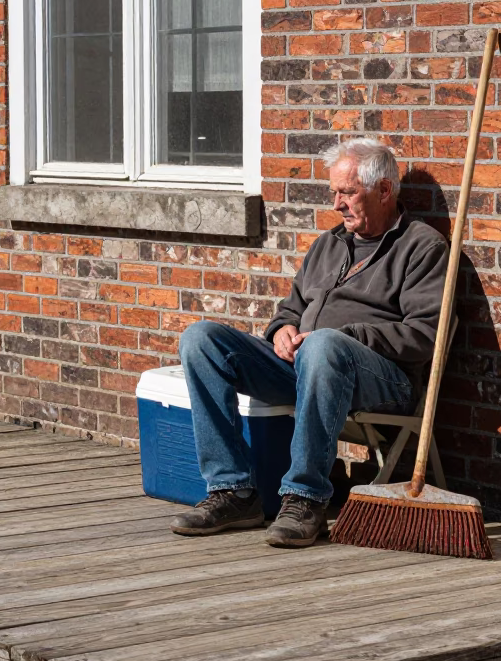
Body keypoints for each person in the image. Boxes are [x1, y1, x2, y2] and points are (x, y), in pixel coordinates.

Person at [172, 137, 450, 547]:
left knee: (322, 345)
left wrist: (346, 335)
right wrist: (280, 330)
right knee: (201, 339)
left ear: (384, 190)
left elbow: (424, 336)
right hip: (305, 365)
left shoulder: (421, 246)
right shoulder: (328, 244)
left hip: (381, 379)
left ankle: (305, 498)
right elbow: (291, 309)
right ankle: (234, 491)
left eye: (347, 193)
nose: (337, 204)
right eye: (334, 192)